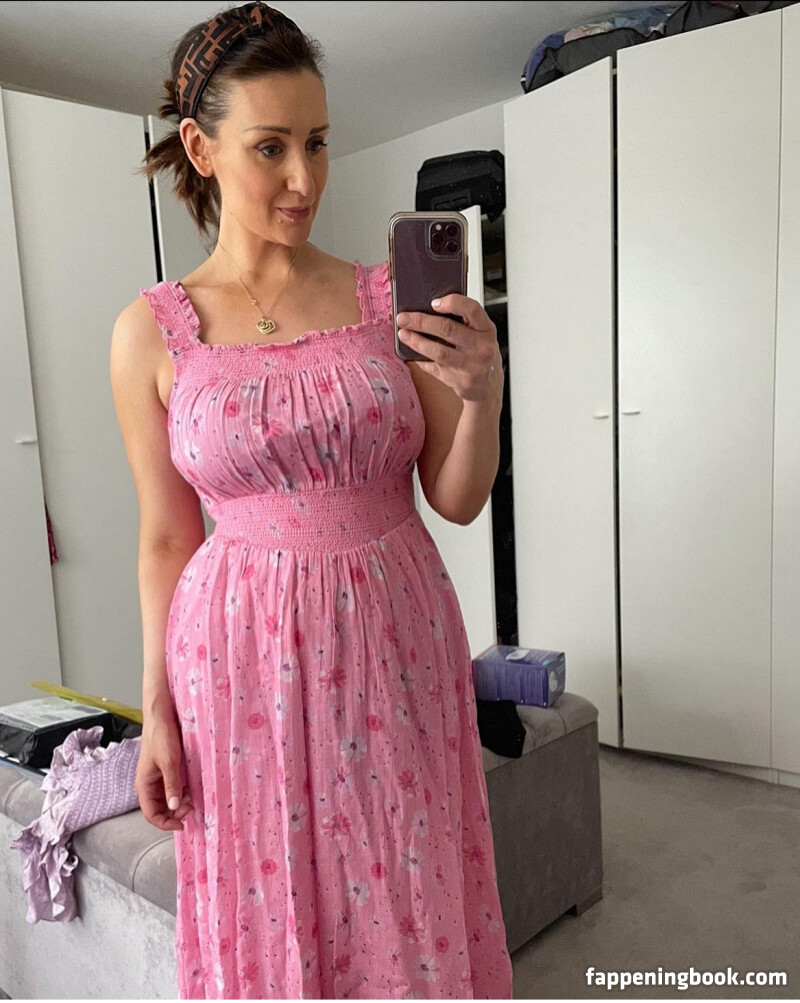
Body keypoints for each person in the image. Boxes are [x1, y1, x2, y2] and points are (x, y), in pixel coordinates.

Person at [109, 2, 513, 998]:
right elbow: (165, 537)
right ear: (200, 148)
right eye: (272, 147)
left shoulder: (386, 301)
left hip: (393, 640)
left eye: (319, 142)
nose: (305, 179)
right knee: (268, 896)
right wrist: (156, 708)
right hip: (234, 661)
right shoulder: (150, 332)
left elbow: (456, 498)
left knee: (406, 883)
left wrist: (482, 395)